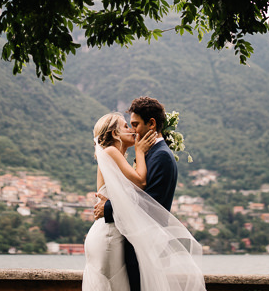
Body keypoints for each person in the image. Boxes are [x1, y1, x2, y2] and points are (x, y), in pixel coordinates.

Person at [85, 98, 206, 291]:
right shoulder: (127, 154)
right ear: (115, 132)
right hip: (111, 235)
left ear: (151, 124)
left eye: (135, 125)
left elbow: (148, 203)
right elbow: (139, 191)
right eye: (128, 126)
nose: (133, 130)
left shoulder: (160, 156)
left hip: (130, 240)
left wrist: (108, 206)